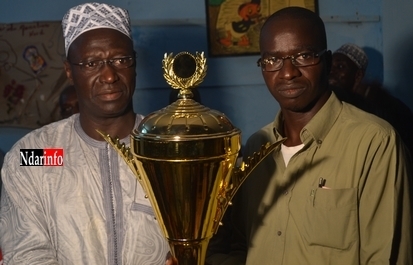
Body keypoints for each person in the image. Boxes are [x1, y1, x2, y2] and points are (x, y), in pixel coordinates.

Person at [206, 6, 412, 265]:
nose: (288, 72)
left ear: (326, 62)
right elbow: (240, 246)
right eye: (272, 60)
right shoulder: (257, 146)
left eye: (303, 56)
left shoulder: (374, 142)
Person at [0, 3, 171, 264]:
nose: (109, 75)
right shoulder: (33, 154)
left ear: (134, 63)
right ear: (69, 71)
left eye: (120, 60)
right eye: (91, 63)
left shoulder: (170, 145)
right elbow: (25, 254)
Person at [329, 43, 413, 157]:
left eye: (340, 67)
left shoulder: (383, 107)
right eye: (329, 66)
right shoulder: (326, 101)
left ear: (358, 76)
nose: (331, 72)